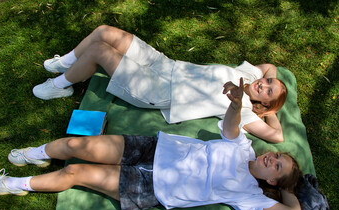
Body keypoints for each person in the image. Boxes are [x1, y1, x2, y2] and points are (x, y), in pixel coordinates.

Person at [0, 79, 303, 210]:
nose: (271, 158)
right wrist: (236, 104)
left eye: (277, 167)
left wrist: (289, 188)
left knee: (74, 171)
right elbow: (232, 128)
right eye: (277, 156)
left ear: (273, 183)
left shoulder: (251, 196)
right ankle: (35, 153)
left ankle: (15, 185)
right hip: (153, 149)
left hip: (153, 188)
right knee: (74, 145)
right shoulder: (243, 148)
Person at [32, 25, 286, 143]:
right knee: (105, 32)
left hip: (158, 91)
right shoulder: (250, 76)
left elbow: (276, 136)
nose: (263, 84)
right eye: (268, 82)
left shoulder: (245, 111)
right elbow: (270, 68)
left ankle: (59, 86)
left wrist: (270, 111)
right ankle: (67, 64)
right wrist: (267, 85)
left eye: (268, 91)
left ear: (264, 102)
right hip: (166, 65)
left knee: (100, 50)